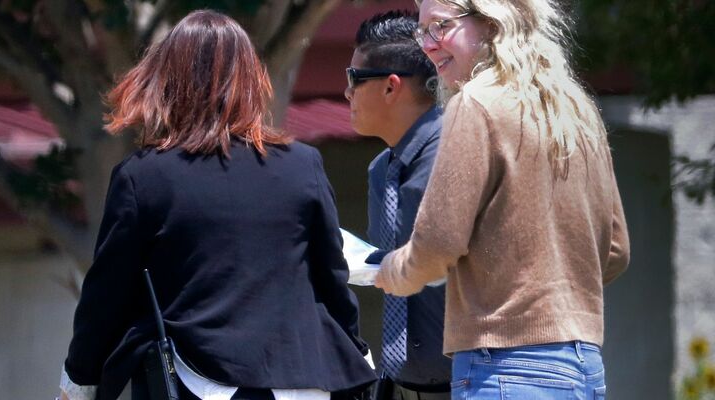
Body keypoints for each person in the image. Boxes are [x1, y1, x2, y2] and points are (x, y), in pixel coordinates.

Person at [58, 10, 376, 400]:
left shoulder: (143, 176)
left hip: (198, 381)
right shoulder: (301, 165)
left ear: (167, 81)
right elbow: (330, 279)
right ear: (251, 81)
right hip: (301, 382)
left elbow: (105, 298)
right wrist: (358, 355)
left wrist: (78, 382)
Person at [373, 0, 631, 399]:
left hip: (504, 366)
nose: (427, 44)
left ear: (493, 21)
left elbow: (439, 241)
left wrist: (392, 271)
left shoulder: (475, 103)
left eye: (440, 27)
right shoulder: (578, 109)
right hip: (584, 365)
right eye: (422, 32)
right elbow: (615, 249)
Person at [344, 10, 452, 400]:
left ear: (391, 87)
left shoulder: (458, 154)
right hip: (400, 387)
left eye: (354, 80)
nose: (347, 93)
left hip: (472, 384)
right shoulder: (381, 170)